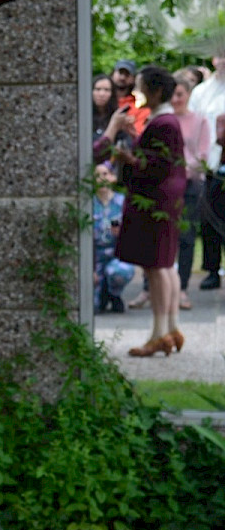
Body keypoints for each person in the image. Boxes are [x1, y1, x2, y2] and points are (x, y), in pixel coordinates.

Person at [96, 66, 187, 357]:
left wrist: (128, 158)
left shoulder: (164, 123)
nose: (137, 92)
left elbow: (157, 164)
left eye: (141, 86)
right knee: (164, 265)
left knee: (156, 267)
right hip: (164, 202)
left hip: (155, 201)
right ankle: (169, 328)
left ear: (156, 90)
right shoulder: (165, 121)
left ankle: (159, 333)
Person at [171, 74, 211, 308]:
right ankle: (151, 288)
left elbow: (203, 154)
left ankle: (183, 288)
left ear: (188, 95)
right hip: (166, 184)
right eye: (173, 94)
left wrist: (184, 170)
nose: (176, 99)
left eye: (180, 94)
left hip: (189, 184)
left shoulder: (199, 121)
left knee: (186, 237)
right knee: (161, 234)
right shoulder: (164, 119)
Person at [189, 55, 225, 290]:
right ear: (214, 59)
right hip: (210, 164)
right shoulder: (202, 92)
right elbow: (193, 125)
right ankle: (212, 270)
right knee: (210, 220)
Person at [92, 163, 134, 313]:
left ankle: (114, 293)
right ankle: (101, 294)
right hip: (95, 257)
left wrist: (122, 233)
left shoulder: (122, 202)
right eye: (97, 175)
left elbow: (132, 234)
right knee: (94, 308)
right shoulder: (88, 204)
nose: (101, 179)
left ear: (113, 177)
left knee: (121, 271)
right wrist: (90, 269)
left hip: (115, 254)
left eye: (105, 174)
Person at [92, 73, 131, 168]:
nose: (101, 94)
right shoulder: (85, 118)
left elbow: (127, 146)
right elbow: (94, 152)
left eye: (106, 90)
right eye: (98, 89)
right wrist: (114, 126)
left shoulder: (118, 116)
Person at [111, 59, 149, 133]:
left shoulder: (139, 106)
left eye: (127, 74)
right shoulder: (102, 100)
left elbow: (139, 133)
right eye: (120, 73)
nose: (122, 77)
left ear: (133, 79)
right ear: (113, 74)